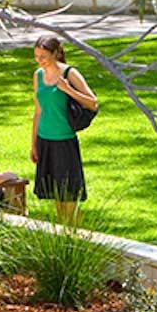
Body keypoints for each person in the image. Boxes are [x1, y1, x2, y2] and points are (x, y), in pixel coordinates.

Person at [31, 35, 98, 224]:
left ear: (56, 53)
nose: (40, 61)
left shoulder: (70, 73)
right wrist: (34, 144)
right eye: (36, 56)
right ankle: (63, 239)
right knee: (56, 199)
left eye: (43, 56)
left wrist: (68, 89)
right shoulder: (38, 75)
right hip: (45, 140)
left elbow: (93, 103)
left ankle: (78, 239)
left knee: (69, 199)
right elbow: (38, 112)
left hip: (64, 142)